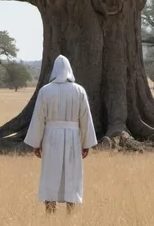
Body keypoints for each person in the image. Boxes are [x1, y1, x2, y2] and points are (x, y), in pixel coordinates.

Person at [24, 55, 98, 214]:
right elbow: (85, 118)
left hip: (51, 137)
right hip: (73, 137)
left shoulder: (45, 90)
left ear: (54, 71)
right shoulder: (79, 90)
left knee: (50, 173)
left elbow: (39, 118)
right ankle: (70, 214)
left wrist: (36, 143)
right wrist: (86, 144)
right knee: (72, 174)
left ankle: (50, 213)